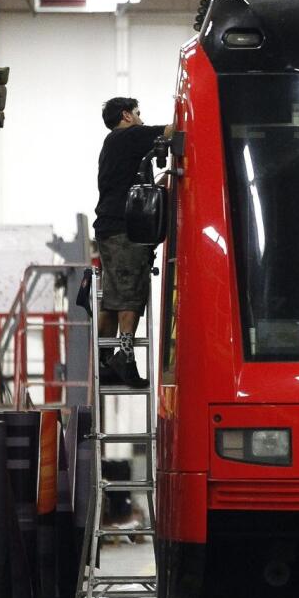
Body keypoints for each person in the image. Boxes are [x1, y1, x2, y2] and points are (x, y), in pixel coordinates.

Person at [95, 96, 172, 388]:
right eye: (138, 113)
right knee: (130, 293)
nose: (141, 118)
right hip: (124, 231)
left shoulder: (112, 144)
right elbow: (171, 130)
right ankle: (125, 359)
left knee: (114, 295)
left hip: (109, 227)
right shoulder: (128, 136)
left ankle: (106, 360)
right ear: (126, 115)